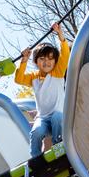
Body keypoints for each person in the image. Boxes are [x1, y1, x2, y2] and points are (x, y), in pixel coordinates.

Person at [13, 22, 71, 159]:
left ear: (55, 62)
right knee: (37, 131)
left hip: (58, 118)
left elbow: (65, 54)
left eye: (51, 59)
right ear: (36, 62)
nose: (47, 62)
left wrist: (60, 34)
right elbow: (19, 79)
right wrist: (23, 61)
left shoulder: (57, 72)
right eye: (42, 59)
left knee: (57, 116)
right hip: (44, 118)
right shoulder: (34, 77)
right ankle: (35, 158)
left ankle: (59, 147)